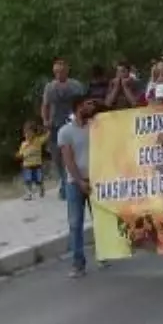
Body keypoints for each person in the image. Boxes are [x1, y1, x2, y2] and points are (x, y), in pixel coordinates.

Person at [58, 93, 99, 278]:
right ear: (79, 107)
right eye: (88, 104)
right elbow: (68, 160)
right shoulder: (65, 132)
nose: (92, 107)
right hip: (75, 183)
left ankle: (104, 254)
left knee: (100, 220)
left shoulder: (96, 127)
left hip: (96, 180)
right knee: (75, 223)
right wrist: (80, 181)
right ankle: (78, 262)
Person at [41, 59, 85, 199]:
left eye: (61, 71)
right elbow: (45, 105)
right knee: (57, 155)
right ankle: (63, 180)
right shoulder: (50, 87)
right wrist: (45, 119)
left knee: (73, 152)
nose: (59, 74)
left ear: (67, 70)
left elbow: (82, 103)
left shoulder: (76, 86)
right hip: (55, 124)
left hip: (72, 122)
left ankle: (73, 181)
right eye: (56, 72)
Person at [16, 121, 48, 200]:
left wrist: (45, 128)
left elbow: (47, 136)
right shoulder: (23, 144)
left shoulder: (38, 141)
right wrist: (19, 155)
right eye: (26, 133)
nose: (28, 135)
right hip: (27, 165)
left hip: (37, 165)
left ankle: (41, 187)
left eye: (30, 133)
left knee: (38, 179)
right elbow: (21, 154)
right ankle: (29, 194)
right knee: (27, 180)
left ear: (34, 133)